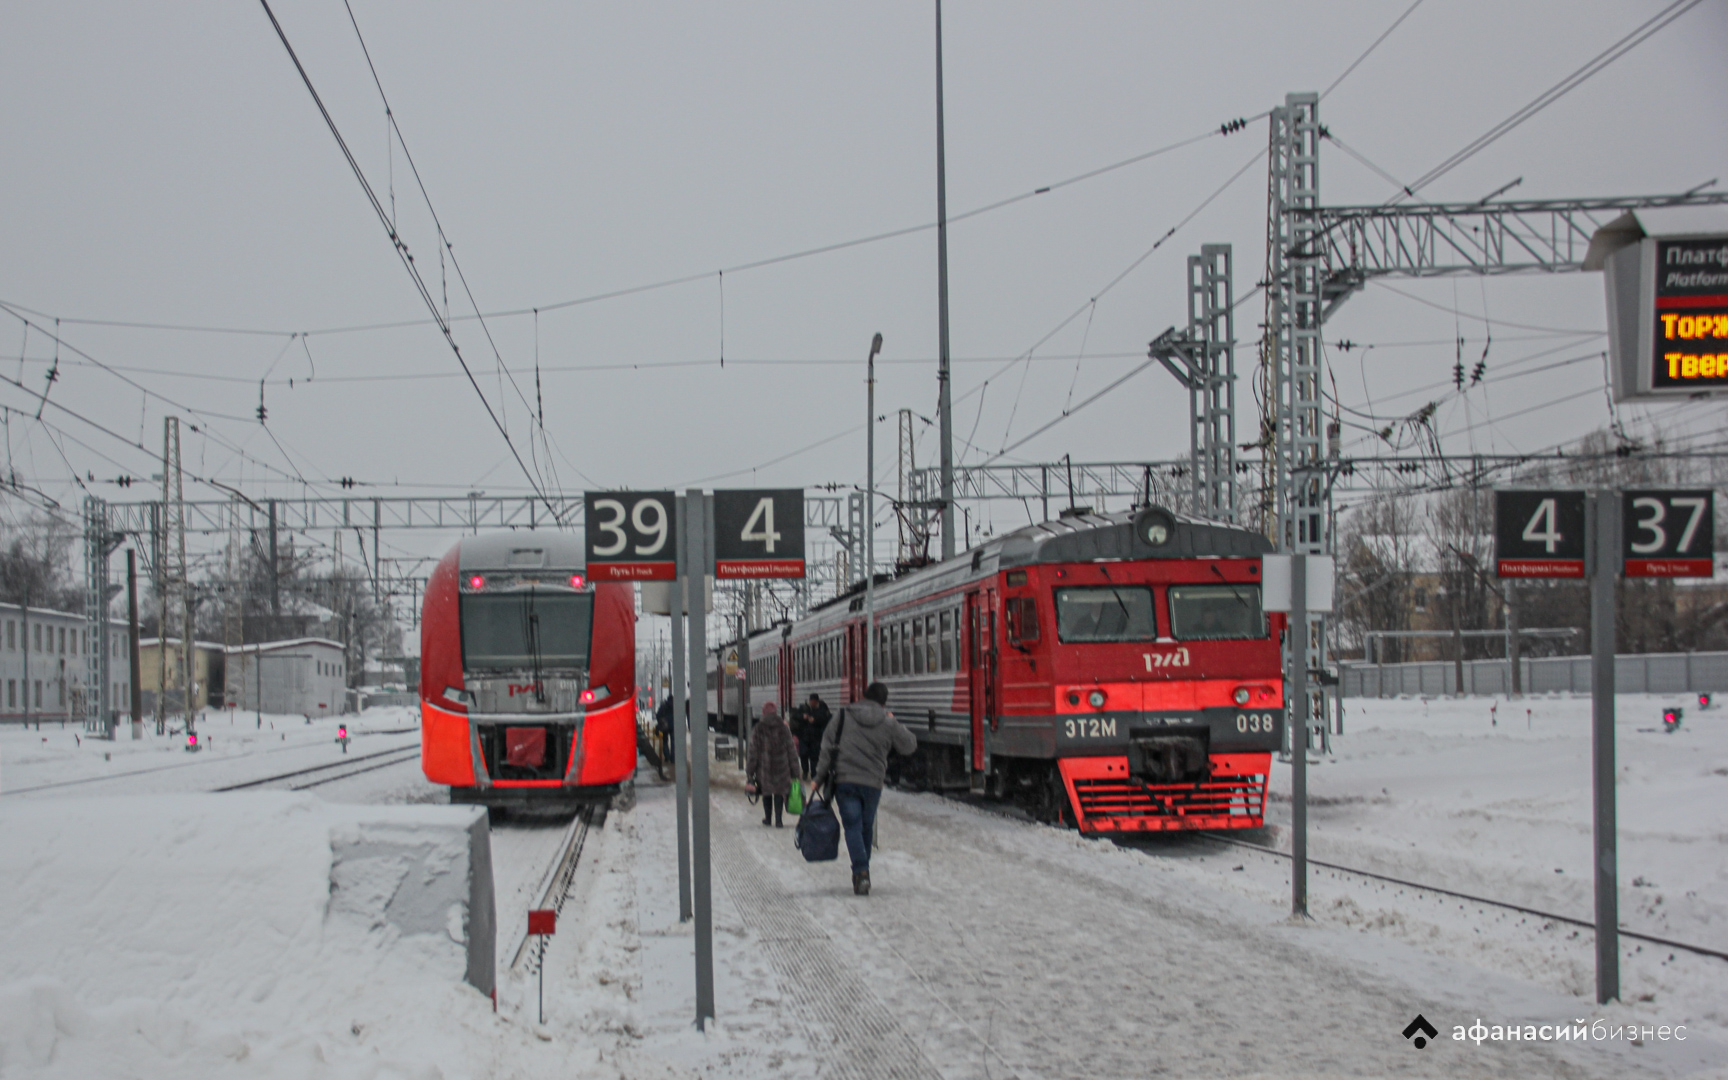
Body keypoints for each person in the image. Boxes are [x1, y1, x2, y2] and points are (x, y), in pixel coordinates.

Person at [815, 682, 915, 896]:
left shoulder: (843, 715)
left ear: (863, 695)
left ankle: (861, 872)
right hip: (872, 783)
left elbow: (827, 746)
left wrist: (818, 778)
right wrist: (894, 722)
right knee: (866, 827)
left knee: (852, 825)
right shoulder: (887, 722)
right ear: (884, 701)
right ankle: (862, 870)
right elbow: (909, 746)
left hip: (845, 781)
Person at [746, 702, 799, 827]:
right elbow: (791, 750)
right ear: (776, 713)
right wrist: (795, 770)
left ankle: (768, 819)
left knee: (767, 792)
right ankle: (779, 820)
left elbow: (753, 751)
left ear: (764, 712)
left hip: (765, 768)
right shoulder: (783, 728)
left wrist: (750, 771)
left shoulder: (758, 728)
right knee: (779, 792)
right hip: (782, 767)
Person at [802, 693, 831, 780]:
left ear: (817, 701)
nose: (812, 703)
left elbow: (826, 719)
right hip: (806, 736)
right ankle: (805, 771)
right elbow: (796, 716)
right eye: (811, 701)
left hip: (816, 737)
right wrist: (803, 717)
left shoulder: (823, 708)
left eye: (814, 702)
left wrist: (815, 720)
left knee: (814, 756)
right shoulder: (805, 707)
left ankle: (814, 774)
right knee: (804, 755)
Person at [655, 694, 675, 767]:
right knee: (673, 742)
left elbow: (658, 715)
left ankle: (667, 756)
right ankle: (673, 758)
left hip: (665, 726)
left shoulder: (664, 705)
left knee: (665, 741)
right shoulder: (676, 706)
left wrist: (661, 721)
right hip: (674, 726)